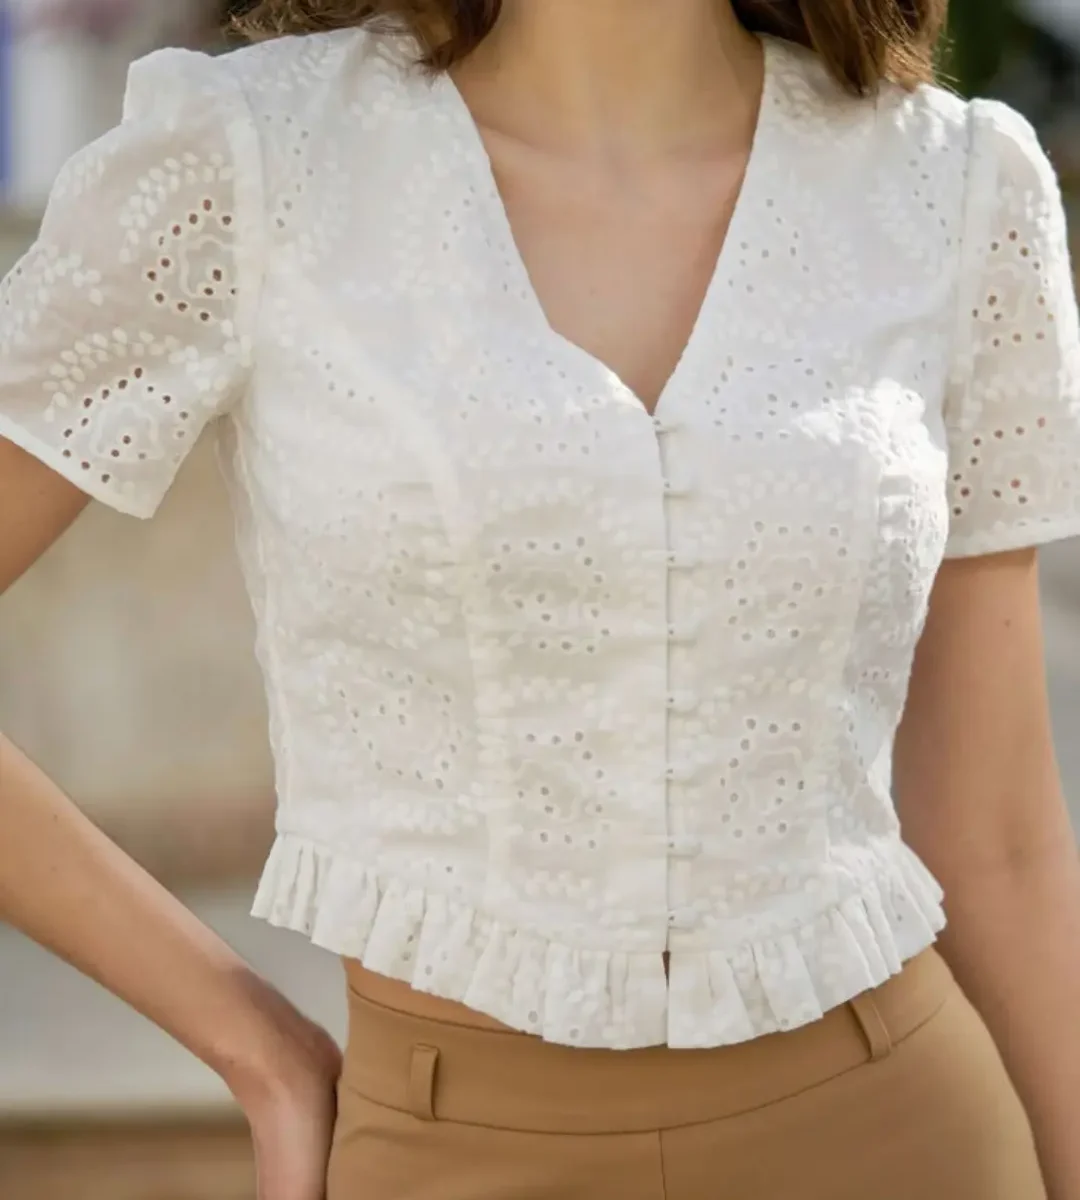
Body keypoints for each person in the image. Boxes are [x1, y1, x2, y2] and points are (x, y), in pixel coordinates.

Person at [1, 0, 1079, 1196]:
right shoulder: (250, 157)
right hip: (445, 1150)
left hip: (907, 1132)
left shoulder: (958, 188)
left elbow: (1001, 842)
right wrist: (253, 1045)